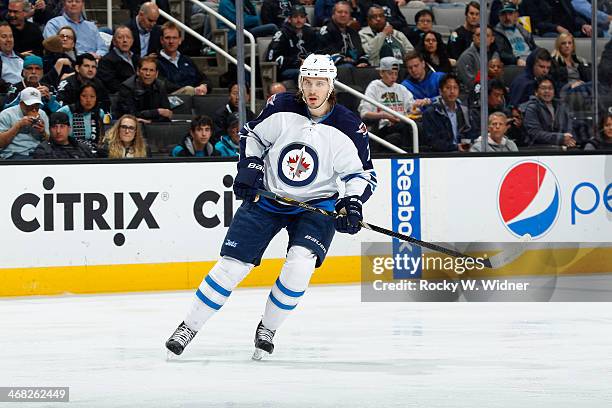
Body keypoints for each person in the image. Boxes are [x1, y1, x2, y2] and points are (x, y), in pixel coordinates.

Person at [165, 54, 376, 359]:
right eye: (307, 82)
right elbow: (253, 137)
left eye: (319, 83)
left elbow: (361, 175)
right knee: (232, 267)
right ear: (300, 83)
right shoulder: (281, 106)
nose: (312, 89)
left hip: (317, 204)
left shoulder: (349, 126)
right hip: (269, 197)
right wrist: (250, 166)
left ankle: (268, 328)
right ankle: (188, 326)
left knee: (300, 265)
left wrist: (352, 202)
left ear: (331, 86)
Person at [359, 57, 415, 152]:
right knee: (403, 130)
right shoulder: (374, 87)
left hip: (401, 124)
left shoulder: (401, 88)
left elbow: (412, 108)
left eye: (396, 74)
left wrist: (416, 107)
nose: (393, 77)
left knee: (415, 127)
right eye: (390, 73)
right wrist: (385, 115)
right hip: (382, 127)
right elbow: (364, 114)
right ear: (381, 73)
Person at [157, 22, 212, 96]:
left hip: (194, 99)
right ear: (161, 40)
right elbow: (164, 85)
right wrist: (190, 90)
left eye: (174, 38)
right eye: (167, 38)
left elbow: (203, 78)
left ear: (180, 40)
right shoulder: (156, 62)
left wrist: (204, 85)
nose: (171, 41)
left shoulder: (187, 60)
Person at [266, 5, 318, 81]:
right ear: (289, 19)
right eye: (295, 17)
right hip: (288, 69)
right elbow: (273, 58)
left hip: (309, 67)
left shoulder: (310, 32)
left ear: (305, 19)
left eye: (302, 17)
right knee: (307, 73)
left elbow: (317, 51)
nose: (299, 20)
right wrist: (298, 62)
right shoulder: (282, 34)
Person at [422, 73, 473, 152]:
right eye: (448, 88)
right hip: (441, 156)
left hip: (463, 154)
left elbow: (470, 133)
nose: (452, 91)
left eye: (455, 88)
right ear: (440, 91)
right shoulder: (431, 113)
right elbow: (433, 142)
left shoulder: (464, 110)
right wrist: (455, 147)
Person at [523, 75, 576, 147]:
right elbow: (535, 133)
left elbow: (570, 126)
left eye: (550, 88)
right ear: (536, 92)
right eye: (543, 88)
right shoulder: (531, 107)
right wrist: (561, 138)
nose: (547, 91)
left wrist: (569, 138)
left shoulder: (562, 106)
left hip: (562, 146)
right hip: (539, 149)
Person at [43, 0, 108, 57]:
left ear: (82, 4)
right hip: (67, 64)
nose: (74, 4)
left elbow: (103, 49)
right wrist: (84, 57)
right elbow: (53, 47)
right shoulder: (54, 24)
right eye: (70, 1)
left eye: (77, 1)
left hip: (93, 64)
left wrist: (97, 56)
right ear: (64, 4)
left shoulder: (91, 26)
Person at [117, 55, 172, 122]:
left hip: (154, 125)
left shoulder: (160, 86)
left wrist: (150, 121)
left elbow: (167, 113)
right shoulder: (127, 87)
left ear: (156, 74)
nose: (148, 73)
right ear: (138, 71)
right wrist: (157, 112)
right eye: (145, 69)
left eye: (151, 70)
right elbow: (129, 115)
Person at [0, 87, 49, 159]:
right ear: (21, 104)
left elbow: (47, 139)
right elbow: (1, 143)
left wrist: (42, 132)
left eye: (37, 105)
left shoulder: (42, 114)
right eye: (30, 105)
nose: (34, 109)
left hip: (38, 152)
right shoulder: (6, 114)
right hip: (13, 154)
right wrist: (18, 125)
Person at [318, 1, 368, 67]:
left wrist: (362, 62)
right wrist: (344, 60)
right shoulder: (326, 31)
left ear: (350, 16)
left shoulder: (353, 32)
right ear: (333, 15)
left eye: (346, 12)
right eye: (340, 12)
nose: (343, 15)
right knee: (347, 67)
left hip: (352, 65)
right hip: (331, 67)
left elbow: (360, 52)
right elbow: (327, 52)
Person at [57, 82, 106, 148]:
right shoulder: (67, 110)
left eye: (92, 96)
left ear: (96, 98)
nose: (88, 100)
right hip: (71, 150)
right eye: (84, 96)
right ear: (78, 97)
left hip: (93, 151)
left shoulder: (100, 112)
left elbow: (101, 137)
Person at [493, 1, 537, 66]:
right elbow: (502, 53)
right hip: (515, 63)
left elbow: (533, 46)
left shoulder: (522, 28)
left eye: (510, 14)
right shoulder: (496, 33)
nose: (507, 17)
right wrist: (516, 60)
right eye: (503, 14)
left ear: (516, 15)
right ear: (499, 16)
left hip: (531, 59)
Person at [456, 25, 498, 90]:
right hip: (471, 95)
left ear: (492, 39)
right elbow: (469, 84)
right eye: (478, 35)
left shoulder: (495, 55)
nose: (482, 38)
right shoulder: (467, 56)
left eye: (486, 35)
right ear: (473, 38)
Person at [522, 0, 593, 37]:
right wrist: (557, 28)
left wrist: (583, 24)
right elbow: (537, 23)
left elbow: (574, 16)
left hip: (570, 30)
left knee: (594, 32)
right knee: (559, 38)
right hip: (547, 31)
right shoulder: (531, 1)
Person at [0, 21, 23, 92]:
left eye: (11, 36)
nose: (9, 40)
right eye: (4, 36)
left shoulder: (22, 58)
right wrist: (14, 89)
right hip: (8, 95)